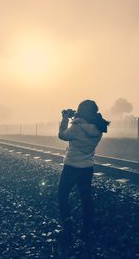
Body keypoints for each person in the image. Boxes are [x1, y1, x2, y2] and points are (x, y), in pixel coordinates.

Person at [58, 99, 110, 241]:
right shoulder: (99, 128)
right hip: (87, 167)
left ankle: (67, 223)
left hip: (72, 166)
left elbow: (62, 135)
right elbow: (87, 124)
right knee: (86, 198)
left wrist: (64, 118)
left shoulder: (76, 127)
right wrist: (77, 118)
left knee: (62, 194)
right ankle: (86, 228)